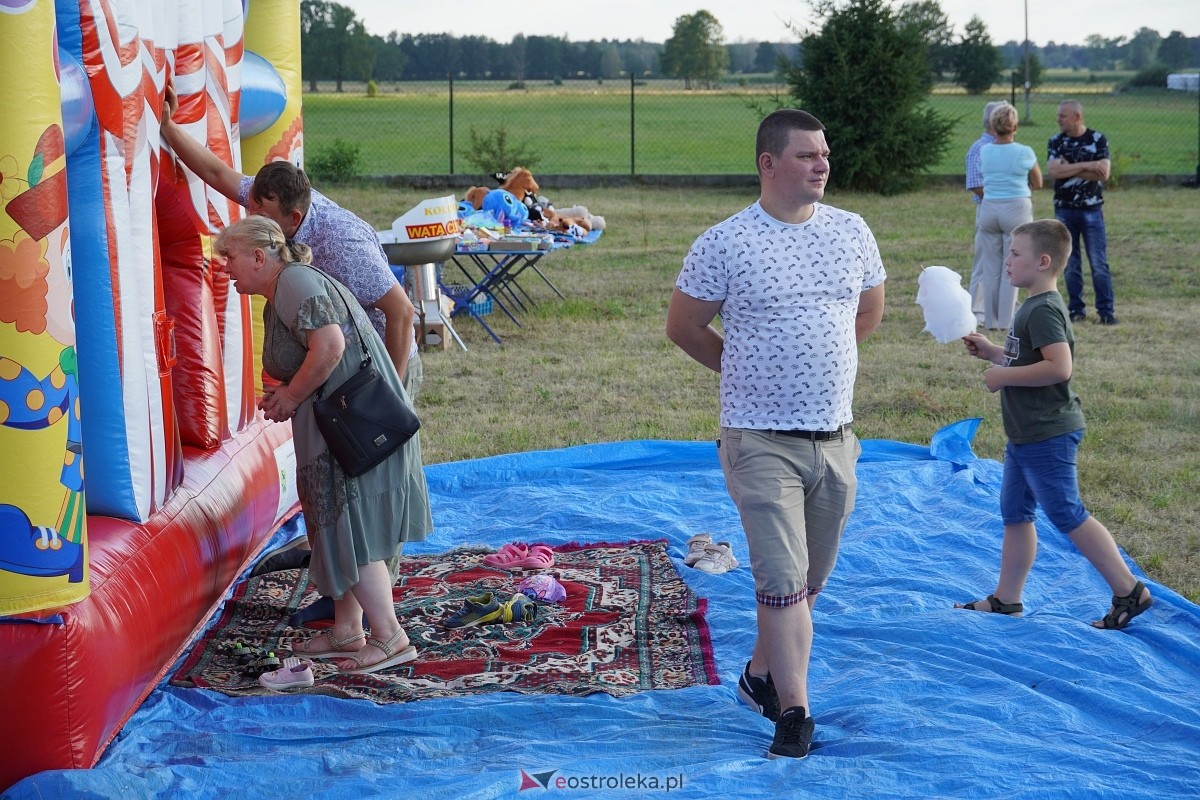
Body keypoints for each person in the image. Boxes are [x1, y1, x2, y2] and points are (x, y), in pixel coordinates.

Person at [666, 108, 886, 760]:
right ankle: (794, 712)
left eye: (824, 154)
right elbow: (684, 326)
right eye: (806, 155)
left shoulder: (852, 231)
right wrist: (747, 372)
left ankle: (759, 674)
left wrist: (822, 369)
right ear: (768, 163)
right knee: (782, 577)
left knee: (808, 582)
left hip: (836, 437)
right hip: (758, 439)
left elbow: (869, 309)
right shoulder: (725, 242)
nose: (822, 164)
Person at [214, 215, 434, 674]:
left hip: (343, 427)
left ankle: (391, 638)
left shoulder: (292, 282)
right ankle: (348, 630)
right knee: (335, 523)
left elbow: (330, 346)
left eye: (229, 257)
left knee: (351, 527)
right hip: (333, 424)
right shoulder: (284, 287)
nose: (224, 267)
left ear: (259, 257)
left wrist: (292, 395)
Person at [160, 85, 423, 396]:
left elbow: (402, 311)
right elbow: (217, 173)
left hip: (381, 362)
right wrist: (167, 126)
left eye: (261, 212)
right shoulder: (269, 200)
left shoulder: (342, 242)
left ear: (294, 218)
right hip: (344, 365)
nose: (252, 216)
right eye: (251, 206)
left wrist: (389, 390)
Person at [957, 219, 1151, 630]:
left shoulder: (1042, 308)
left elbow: (1058, 368)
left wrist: (1001, 377)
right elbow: (1028, 359)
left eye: (1015, 254)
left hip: (1049, 433)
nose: (1007, 260)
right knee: (1015, 512)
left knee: (1066, 512)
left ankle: (1129, 590)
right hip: (1026, 435)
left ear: (1043, 262)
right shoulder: (1031, 306)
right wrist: (994, 353)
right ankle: (1007, 599)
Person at [973, 102, 1042, 332]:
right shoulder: (1024, 152)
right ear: (1015, 126)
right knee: (1013, 265)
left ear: (993, 125)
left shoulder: (985, 150)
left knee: (991, 266)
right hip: (1016, 208)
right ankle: (1005, 320)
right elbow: (1038, 181)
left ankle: (989, 320)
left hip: (989, 208)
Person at [1047, 99, 1117, 325]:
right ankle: (1076, 309)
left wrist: (1070, 168)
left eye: (1062, 116)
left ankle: (1106, 311)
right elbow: (1054, 171)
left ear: (1076, 117)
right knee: (1070, 262)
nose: (1058, 119)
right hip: (1064, 210)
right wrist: (1088, 165)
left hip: (1092, 210)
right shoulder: (1056, 141)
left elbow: (1104, 173)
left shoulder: (1098, 139)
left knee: (1098, 262)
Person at [965, 101, 1005, 326]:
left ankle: (1004, 308)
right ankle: (977, 310)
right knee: (984, 260)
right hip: (988, 208)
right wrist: (998, 199)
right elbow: (974, 183)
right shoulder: (979, 148)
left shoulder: (1008, 146)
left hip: (1005, 210)